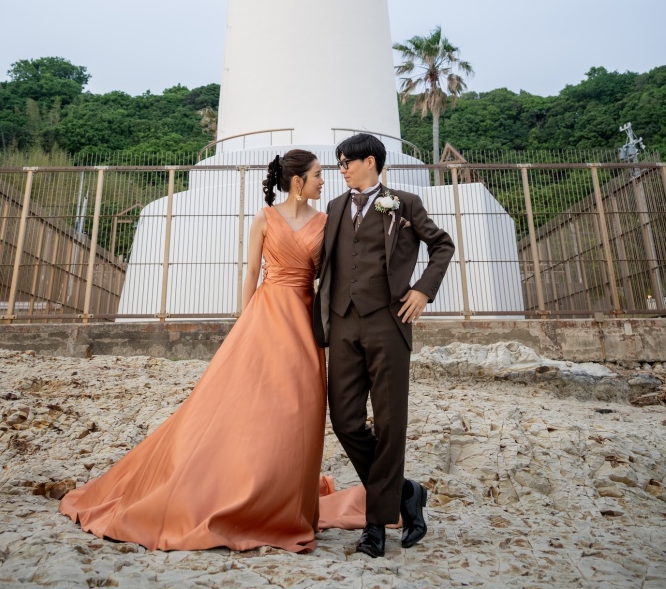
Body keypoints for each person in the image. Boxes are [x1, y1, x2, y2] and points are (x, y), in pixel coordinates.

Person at [60, 149, 331, 553]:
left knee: (300, 405)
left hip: (305, 319)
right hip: (266, 314)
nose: (323, 181)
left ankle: (284, 495)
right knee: (245, 405)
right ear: (297, 182)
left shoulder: (326, 222)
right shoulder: (265, 218)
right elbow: (252, 272)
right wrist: (244, 323)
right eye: (318, 175)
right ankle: (238, 485)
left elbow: (329, 274)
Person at [313, 132, 455, 559]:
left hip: (389, 323)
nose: (340, 170)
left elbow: (443, 245)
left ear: (369, 161)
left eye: (345, 163)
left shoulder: (405, 203)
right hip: (342, 325)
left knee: (391, 423)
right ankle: (406, 492)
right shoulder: (335, 208)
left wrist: (423, 292)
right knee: (345, 420)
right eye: (337, 165)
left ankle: (376, 527)